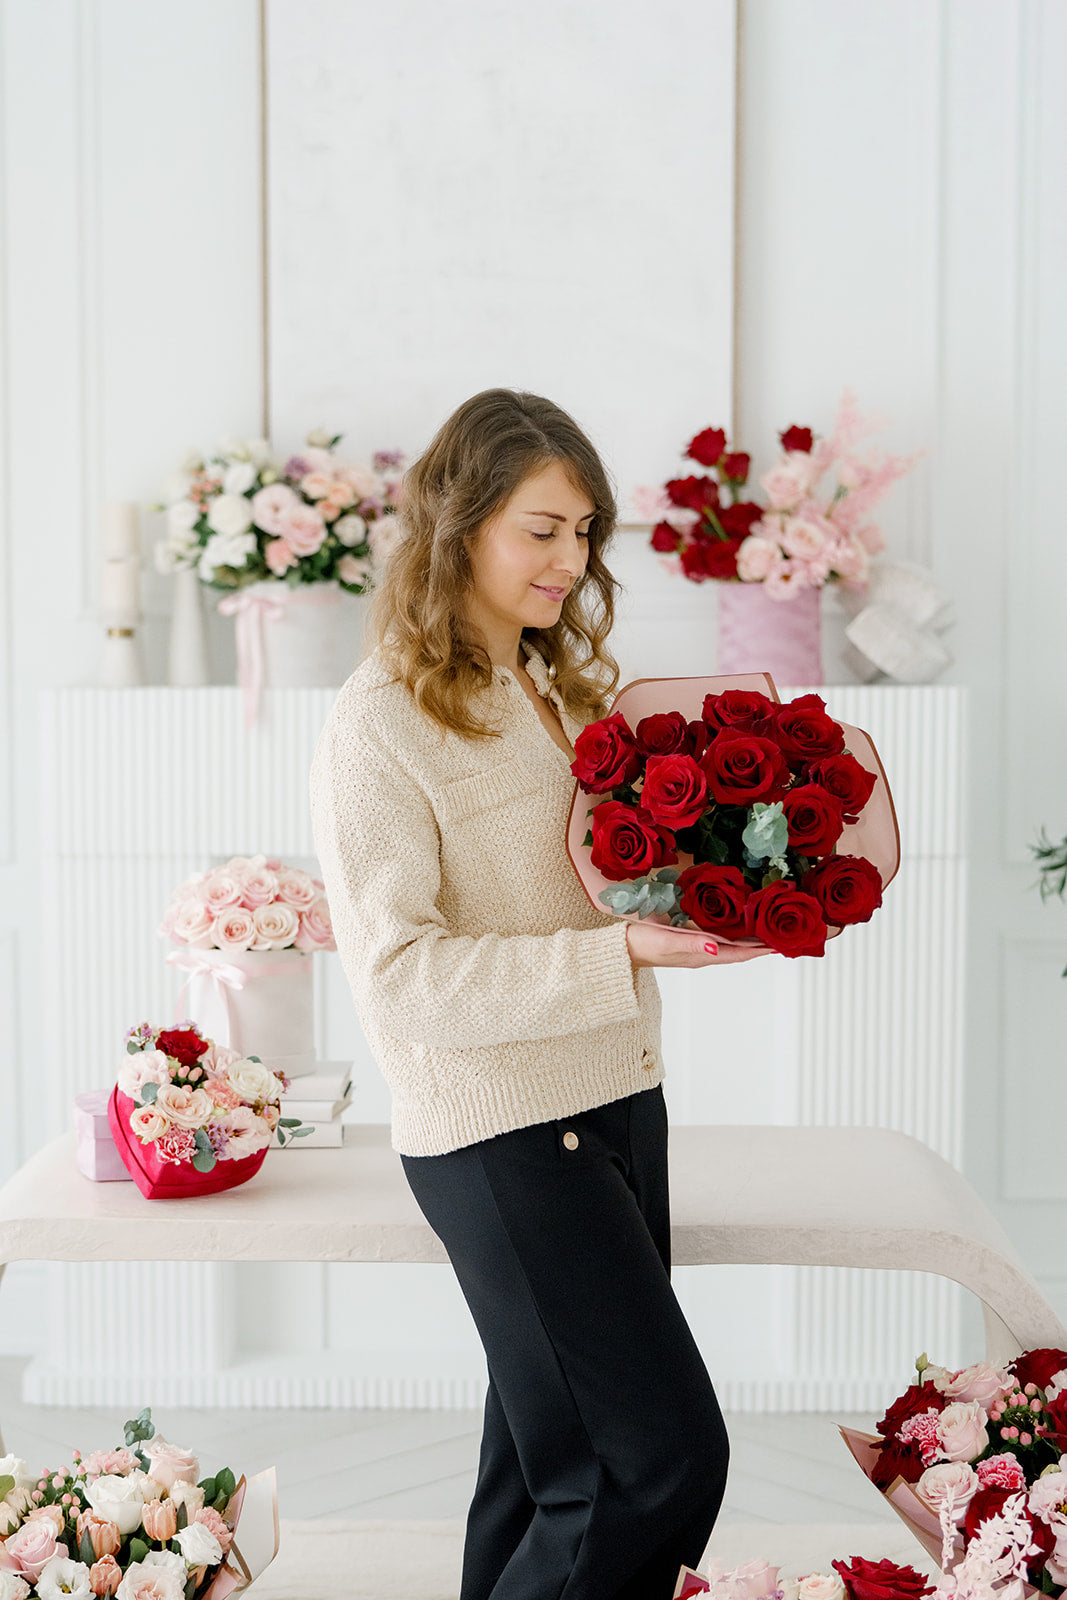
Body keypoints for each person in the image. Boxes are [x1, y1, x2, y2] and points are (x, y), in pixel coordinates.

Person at [309, 388, 769, 1600]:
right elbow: (399, 982)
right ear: (459, 525)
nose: (573, 560)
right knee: (655, 1463)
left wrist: (718, 886)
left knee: (539, 1469)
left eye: (585, 533)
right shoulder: (379, 722)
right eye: (542, 529)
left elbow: (583, 887)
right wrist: (618, 955)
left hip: (615, 1101)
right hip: (503, 1135)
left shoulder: (554, 691)